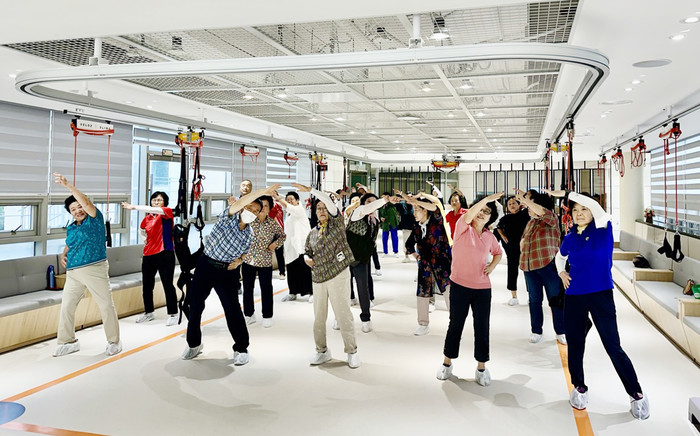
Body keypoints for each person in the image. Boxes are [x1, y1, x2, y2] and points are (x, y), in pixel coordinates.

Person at [550, 190, 649, 420]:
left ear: (593, 211)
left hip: (601, 295)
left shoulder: (603, 228)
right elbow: (559, 257)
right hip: (574, 296)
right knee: (576, 344)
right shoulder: (570, 238)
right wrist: (562, 272)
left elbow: (594, 206)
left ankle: (636, 393)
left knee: (613, 345)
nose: (579, 213)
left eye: (584, 209)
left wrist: (567, 194)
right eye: (575, 210)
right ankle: (579, 387)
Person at [182, 183, 280, 363]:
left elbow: (245, 252)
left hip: (227, 272)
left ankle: (241, 348)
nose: (252, 211)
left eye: (256, 211)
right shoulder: (228, 217)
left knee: (232, 309)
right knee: (195, 306)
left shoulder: (249, 234)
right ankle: (193, 344)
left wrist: (240, 261)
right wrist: (264, 192)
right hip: (206, 266)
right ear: (243, 206)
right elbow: (240, 203)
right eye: (250, 207)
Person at [437, 193, 503, 386]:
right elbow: (468, 215)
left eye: (487, 212)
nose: (482, 214)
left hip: (482, 289)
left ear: (491, 217)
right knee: (455, 325)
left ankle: (481, 367)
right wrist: (486, 199)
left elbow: (498, 253)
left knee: (482, 328)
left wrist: (492, 266)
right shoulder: (462, 227)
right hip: (459, 286)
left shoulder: (489, 237)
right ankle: (447, 363)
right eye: (480, 210)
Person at [53, 173, 121, 357]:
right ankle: (67, 341)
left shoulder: (94, 219)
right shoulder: (72, 227)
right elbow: (71, 242)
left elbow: (87, 203)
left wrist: (68, 186)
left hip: (94, 268)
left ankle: (114, 341)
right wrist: (64, 254)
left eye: (79, 206)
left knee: (105, 305)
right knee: (67, 306)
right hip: (73, 272)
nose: (78, 210)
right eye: (73, 209)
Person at [295, 182, 360, 369]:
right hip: (318, 277)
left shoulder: (337, 224)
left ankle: (352, 351)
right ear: (315, 213)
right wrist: (307, 258)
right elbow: (307, 251)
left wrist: (311, 191)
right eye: (319, 209)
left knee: (343, 314)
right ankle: (321, 350)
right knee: (319, 318)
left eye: (324, 208)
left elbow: (330, 204)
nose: (322, 211)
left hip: (338, 274)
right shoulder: (313, 233)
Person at [515, 188, 566, 345]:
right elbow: (523, 240)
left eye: (531, 205)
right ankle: (536, 330)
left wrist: (525, 200)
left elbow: (542, 211)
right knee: (534, 300)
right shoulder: (530, 223)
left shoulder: (551, 218)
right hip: (529, 267)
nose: (528, 208)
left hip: (548, 265)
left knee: (554, 300)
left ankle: (561, 331)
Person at [122, 192, 179, 326]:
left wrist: (134, 207)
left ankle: (173, 314)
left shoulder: (166, 212)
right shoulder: (147, 218)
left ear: (165, 202)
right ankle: (149, 312)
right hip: (148, 255)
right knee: (147, 286)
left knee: (167, 284)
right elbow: (141, 230)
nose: (157, 202)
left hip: (165, 253)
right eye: (154, 200)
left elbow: (154, 210)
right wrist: (145, 240)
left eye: (160, 200)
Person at [400, 190, 451, 336]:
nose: (414, 213)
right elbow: (409, 244)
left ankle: (455, 320)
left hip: (442, 263)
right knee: (423, 292)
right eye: (414, 210)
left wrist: (416, 200)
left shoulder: (437, 220)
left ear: (425, 210)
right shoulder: (417, 227)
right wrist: (416, 256)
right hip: (425, 264)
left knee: (448, 290)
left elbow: (436, 207)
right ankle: (423, 324)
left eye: (417, 210)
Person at [346, 192, 396, 333]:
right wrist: (385, 200)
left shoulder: (375, 220)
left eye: (374, 202)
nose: (372, 205)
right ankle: (340, 317)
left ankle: (366, 319)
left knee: (363, 287)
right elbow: (368, 208)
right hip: (346, 257)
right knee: (343, 288)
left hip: (362, 258)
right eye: (369, 202)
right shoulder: (358, 212)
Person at [242, 195, 286, 328]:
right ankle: (249, 314)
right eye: (261, 205)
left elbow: (282, 236)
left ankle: (267, 316)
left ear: (269, 208)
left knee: (266, 289)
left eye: (266, 206)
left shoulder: (272, 224)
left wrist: (275, 244)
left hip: (265, 261)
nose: (262, 208)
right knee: (247, 289)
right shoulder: (249, 221)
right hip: (248, 260)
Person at [275, 191, 313, 302]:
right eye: (287, 199)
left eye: (291, 199)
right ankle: (292, 292)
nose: (289, 201)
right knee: (292, 270)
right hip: (291, 247)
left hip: (301, 246)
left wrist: (277, 197)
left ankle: (311, 293)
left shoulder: (299, 210)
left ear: (297, 200)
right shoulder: (289, 213)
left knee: (305, 270)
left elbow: (289, 206)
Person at [495, 195, 530, 306]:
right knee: (512, 271)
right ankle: (514, 296)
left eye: (514, 203)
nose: (512, 205)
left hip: (525, 249)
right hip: (511, 249)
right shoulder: (505, 219)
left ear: (519, 204)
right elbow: (498, 227)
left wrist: (524, 202)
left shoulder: (525, 214)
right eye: (509, 204)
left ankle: (531, 296)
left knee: (528, 273)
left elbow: (532, 206)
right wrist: (503, 236)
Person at [268, 199, 286, 280]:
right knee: (267, 254)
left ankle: (282, 272)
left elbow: (274, 205)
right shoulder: (268, 209)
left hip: (278, 233)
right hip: (269, 232)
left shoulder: (278, 206)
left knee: (279, 254)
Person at [379, 192, 400, 256]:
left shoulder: (392, 203)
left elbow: (393, 205)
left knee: (394, 237)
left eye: (384, 197)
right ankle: (385, 252)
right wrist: (381, 218)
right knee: (384, 238)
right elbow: (380, 213)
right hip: (385, 224)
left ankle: (395, 251)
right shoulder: (381, 205)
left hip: (393, 223)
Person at [396, 197, 416, 263]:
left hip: (414, 227)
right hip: (406, 227)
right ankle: (406, 256)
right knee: (405, 242)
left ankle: (417, 256)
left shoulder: (415, 206)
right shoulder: (402, 205)